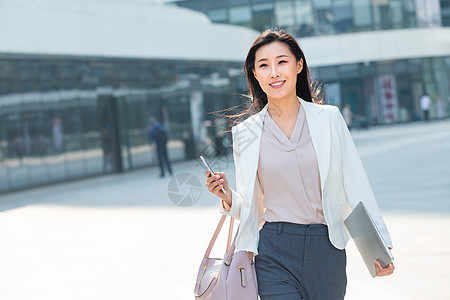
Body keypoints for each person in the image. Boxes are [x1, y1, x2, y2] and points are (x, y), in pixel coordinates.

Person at [204, 29, 394, 300]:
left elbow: (357, 183)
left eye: (282, 61)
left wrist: (379, 248)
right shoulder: (246, 133)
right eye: (263, 65)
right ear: (255, 75)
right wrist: (226, 197)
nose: (274, 72)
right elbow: (252, 207)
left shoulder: (328, 119)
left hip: (325, 246)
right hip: (273, 248)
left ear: (298, 65)